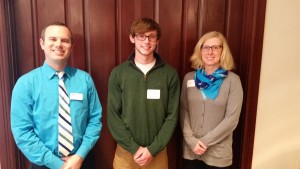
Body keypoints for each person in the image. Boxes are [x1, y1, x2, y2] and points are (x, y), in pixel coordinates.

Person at [10, 22, 102, 169]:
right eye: (53, 39)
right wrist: (58, 164)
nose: (59, 44)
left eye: (65, 40)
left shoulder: (84, 80)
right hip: (44, 163)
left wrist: (79, 157)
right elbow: (22, 131)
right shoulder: (26, 83)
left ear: (71, 46)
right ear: (42, 43)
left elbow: (95, 120)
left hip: (82, 161)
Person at [107, 17, 180, 169]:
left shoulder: (170, 74)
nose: (146, 41)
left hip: (157, 153)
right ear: (132, 38)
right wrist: (133, 148)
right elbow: (113, 116)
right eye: (141, 36)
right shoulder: (118, 73)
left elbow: (172, 116)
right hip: (125, 152)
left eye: (151, 36)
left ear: (157, 40)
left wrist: (152, 149)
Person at [180, 31, 243, 169]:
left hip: (218, 154)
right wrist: (191, 141)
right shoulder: (189, 78)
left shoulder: (233, 81)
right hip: (192, 151)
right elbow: (183, 110)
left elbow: (232, 119)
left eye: (215, 47)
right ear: (200, 50)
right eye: (206, 47)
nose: (210, 52)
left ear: (223, 51)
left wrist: (204, 142)